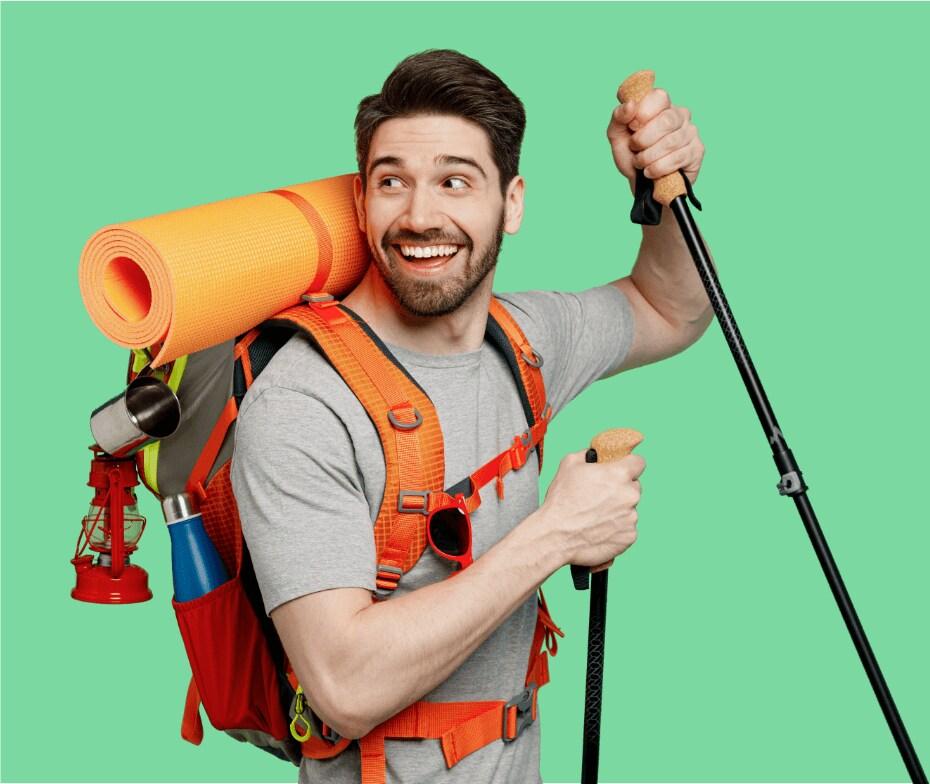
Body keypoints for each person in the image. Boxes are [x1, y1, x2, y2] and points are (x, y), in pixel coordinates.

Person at [231, 49, 710, 783]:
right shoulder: (303, 403)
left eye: (455, 180)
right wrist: (558, 533)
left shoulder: (523, 342)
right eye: (392, 181)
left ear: (511, 203)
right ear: (361, 199)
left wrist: (663, 192)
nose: (420, 216)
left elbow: (670, 306)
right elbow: (344, 687)